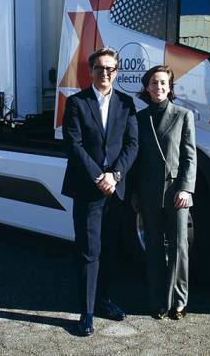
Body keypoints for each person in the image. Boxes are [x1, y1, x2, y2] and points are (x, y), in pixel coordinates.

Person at [61, 47, 138, 337]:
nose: (105, 73)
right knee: (88, 251)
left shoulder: (127, 104)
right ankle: (87, 312)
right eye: (100, 68)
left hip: (115, 189)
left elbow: (133, 144)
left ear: (116, 72)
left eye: (111, 68)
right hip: (89, 189)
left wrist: (115, 176)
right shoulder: (76, 103)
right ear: (90, 71)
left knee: (109, 250)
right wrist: (99, 176)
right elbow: (73, 144)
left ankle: (104, 300)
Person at [130, 65, 196, 321]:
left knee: (179, 248)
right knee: (154, 248)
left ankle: (179, 302)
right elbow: (136, 161)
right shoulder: (139, 118)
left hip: (176, 193)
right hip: (148, 193)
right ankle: (157, 300)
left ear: (170, 88)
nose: (159, 87)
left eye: (163, 83)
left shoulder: (183, 115)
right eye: (154, 83)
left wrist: (186, 189)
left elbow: (190, 157)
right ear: (147, 87)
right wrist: (135, 194)